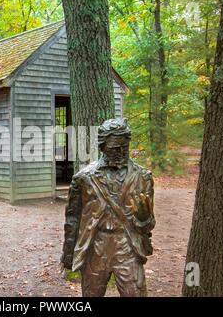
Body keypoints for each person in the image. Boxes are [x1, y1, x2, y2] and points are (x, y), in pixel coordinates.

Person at [61, 118, 156, 297]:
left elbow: (148, 226)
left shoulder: (143, 177)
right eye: (114, 148)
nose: (120, 152)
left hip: (128, 247)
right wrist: (68, 254)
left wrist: (144, 218)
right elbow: (72, 219)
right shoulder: (84, 178)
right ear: (102, 146)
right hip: (95, 248)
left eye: (124, 147)